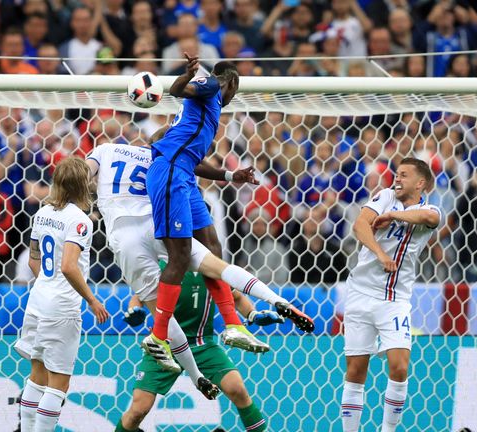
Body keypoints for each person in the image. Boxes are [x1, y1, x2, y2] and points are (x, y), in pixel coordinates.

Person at [87, 138, 314, 374]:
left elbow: (85, 174)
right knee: (218, 266)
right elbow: (190, 163)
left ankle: (180, 359)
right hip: (155, 227)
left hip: (126, 238)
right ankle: (278, 302)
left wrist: (253, 314)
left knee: (161, 311)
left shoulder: (106, 150)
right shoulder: (163, 159)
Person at [143, 54, 265, 367]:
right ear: (232, 82)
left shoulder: (206, 112)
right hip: (170, 172)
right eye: (235, 91)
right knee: (181, 257)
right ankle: (158, 338)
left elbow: (192, 157)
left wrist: (228, 175)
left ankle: (233, 324)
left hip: (183, 172)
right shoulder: (213, 85)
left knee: (213, 248)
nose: (233, 96)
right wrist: (188, 76)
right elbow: (177, 91)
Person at [339, 158, 441, 432]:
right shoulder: (384, 196)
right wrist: (380, 253)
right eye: (396, 174)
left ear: (420, 183)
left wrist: (393, 216)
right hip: (360, 294)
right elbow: (361, 225)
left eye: (404, 175)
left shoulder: (429, 209)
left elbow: (429, 218)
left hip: (394, 301)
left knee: (399, 367)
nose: (397, 179)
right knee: (356, 372)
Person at [115, 267, 280, 432]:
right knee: (138, 410)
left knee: (237, 388)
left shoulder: (211, 267)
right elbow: (138, 297)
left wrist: (253, 314)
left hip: (202, 344)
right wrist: (134, 311)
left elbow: (236, 297)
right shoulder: (163, 265)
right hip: (165, 346)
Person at [14, 157, 110, 432]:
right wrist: (92, 299)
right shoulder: (80, 220)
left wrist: (47, 283)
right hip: (61, 307)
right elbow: (68, 266)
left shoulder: (42, 212)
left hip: (38, 298)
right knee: (59, 382)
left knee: (37, 375)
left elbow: (34, 259)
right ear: (82, 185)